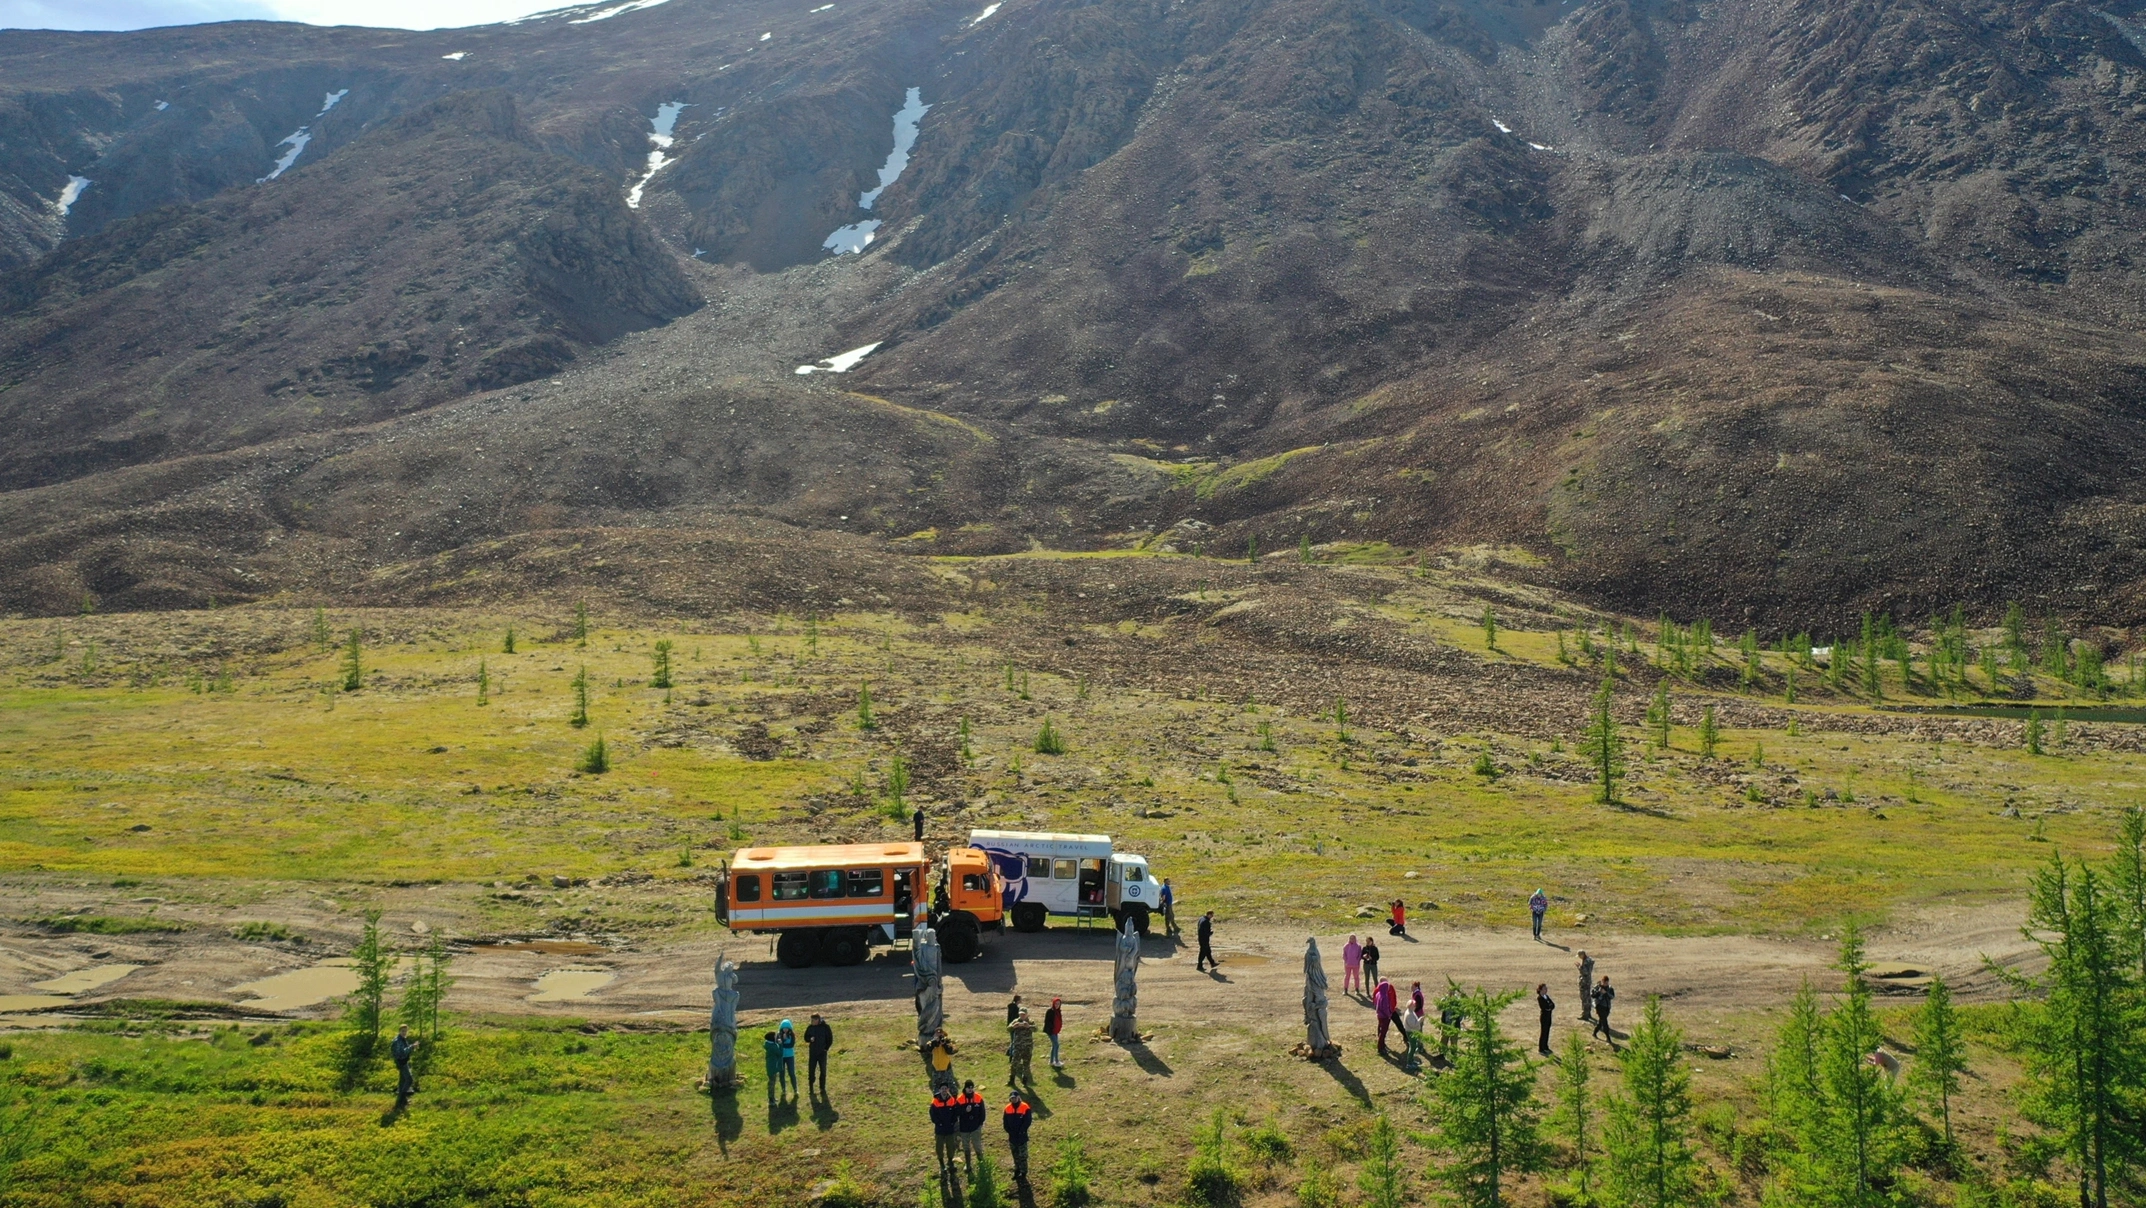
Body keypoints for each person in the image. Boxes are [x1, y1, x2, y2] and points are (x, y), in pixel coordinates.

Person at [1002, 1089, 1034, 1184]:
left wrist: (1021, 1131)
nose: (1014, 1099)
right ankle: (1017, 1170)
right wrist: (1009, 1131)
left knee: (1023, 1156)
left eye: (1015, 1098)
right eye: (1012, 1098)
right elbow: (1005, 1123)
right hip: (1012, 1137)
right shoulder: (1007, 1108)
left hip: (1022, 1136)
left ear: (1018, 1097)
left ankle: (1024, 1172)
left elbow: (1027, 1121)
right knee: (1015, 1155)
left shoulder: (1025, 1107)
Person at [955, 1079, 987, 1174]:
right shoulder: (960, 1099)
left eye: (972, 1087)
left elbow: (982, 1112)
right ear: (965, 1088)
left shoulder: (978, 1098)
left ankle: (981, 1162)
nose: (970, 1089)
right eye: (968, 1087)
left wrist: (980, 1123)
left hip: (975, 1127)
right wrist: (965, 1110)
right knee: (966, 1147)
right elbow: (956, 1112)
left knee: (977, 1145)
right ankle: (968, 1165)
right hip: (964, 1127)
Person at [929, 1087, 961, 1178]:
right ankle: (942, 1164)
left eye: (945, 1089)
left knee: (950, 1146)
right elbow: (932, 1114)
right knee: (939, 1147)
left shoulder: (952, 1100)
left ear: (948, 1090)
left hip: (949, 1129)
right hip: (939, 1129)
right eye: (942, 1089)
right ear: (940, 1090)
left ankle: (950, 1161)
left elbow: (955, 1113)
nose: (944, 1091)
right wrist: (938, 1123)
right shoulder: (935, 1101)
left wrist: (952, 1122)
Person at [804, 1013, 834, 1097]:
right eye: (811, 1020)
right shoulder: (810, 1028)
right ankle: (811, 1088)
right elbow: (805, 1037)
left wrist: (826, 1048)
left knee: (823, 1070)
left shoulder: (825, 1027)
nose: (812, 1022)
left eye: (813, 1020)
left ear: (818, 1020)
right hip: (813, 1052)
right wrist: (810, 1039)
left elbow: (830, 1039)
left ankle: (822, 1088)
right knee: (811, 1070)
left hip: (822, 1053)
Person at [1007, 1008, 1036, 1088]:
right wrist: (1013, 1026)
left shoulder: (1030, 1021)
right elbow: (1008, 1029)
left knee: (1026, 1064)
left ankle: (1025, 1081)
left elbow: (1036, 1029)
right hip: (1017, 1046)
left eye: (1023, 1014)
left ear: (1026, 1014)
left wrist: (1028, 1026)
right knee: (1014, 1063)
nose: (1022, 1016)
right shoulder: (1016, 1021)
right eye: (1020, 1014)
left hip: (1027, 1047)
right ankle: (1011, 1080)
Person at [391, 1024, 418, 1109]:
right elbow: (402, 1052)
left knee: (402, 1081)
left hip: (402, 1061)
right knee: (409, 1080)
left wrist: (411, 1047)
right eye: (403, 1031)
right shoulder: (398, 1041)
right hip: (402, 1062)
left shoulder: (402, 1039)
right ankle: (402, 1098)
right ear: (399, 1031)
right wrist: (412, 1046)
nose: (404, 1032)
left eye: (405, 1031)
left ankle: (401, 1101)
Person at [927, 1027, 959, 1096]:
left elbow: (951, 1051)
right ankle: (937, 1102)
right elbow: (928, 1049)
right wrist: (935, 1042)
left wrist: (944, 1044)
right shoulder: (931, 1042)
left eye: (940, 1034)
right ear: (934, 1035)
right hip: (936, 1068)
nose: (939, 1035)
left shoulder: (947, 1042)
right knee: (936, 1085)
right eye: (937, 1034)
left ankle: (955, 1100)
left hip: (946, 1067)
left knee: (951, 1084)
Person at [1396, 1003, 1428, 1070]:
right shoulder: (1409, 1014)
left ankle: (1412, 1061)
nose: (1415, 1006)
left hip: (1412, 1032)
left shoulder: (1411, 1011)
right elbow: (1413, 1025)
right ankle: (1409, 1063)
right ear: (1410, 1006)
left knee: (1413, 1046)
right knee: (1412, 1047)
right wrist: (1420, 1020)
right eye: (1414, 1005)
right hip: (1411, 1032)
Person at [1373, 978, 1397, 1054]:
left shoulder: (1378, 994)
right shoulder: (1385, 997)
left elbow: (1376, 1003)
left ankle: (1382, 1046)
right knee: (1383, 1033)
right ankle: (1381, 1047)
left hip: (1379, 1015)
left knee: (1380, 1030)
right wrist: (1389, 1015)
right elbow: (1385, 1008)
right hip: (1385, 1017)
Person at [1592, 975, 1616, 1048]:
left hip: (1607, 1007)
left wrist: (1606, 993)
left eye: (1607, 982)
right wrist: (1600, 993)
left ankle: (1594, 1033)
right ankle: (1608, 1038)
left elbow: (1612, 996)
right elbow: (1593, 995)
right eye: (1604, 982)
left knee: (1601, 1022)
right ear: (1602, 981)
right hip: (1599, 1007)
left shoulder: (1610, 988)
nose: (1605, 984)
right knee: (1605, 1022)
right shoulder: (1597, 987)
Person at [778, 1018, 799, 1097]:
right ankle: (783, 1090)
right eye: (784, 1028)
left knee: (791, 1073)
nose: (785, 1029)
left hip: (790, 1056)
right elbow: (779, 1045)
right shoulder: (779, 1035)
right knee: (781, 1073)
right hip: (781, 1057)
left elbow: (791, 1045)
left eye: (787, 1028)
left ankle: (795, 1089)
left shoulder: (792, 1035)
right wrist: (783, 1040)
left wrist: (783, 1044)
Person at [762, 1030, 784, 1104]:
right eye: (775, 1036)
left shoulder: (768, 1045)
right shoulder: (773, 1047)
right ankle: (771, 1099)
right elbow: (780, 1054)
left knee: (772, 1082)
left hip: (770, 1066)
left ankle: (772, 1097)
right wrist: (780, 1044)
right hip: (773, 1067)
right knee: (772, 1083)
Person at [1044, 997, 1065, 1069]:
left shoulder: (1058, 1011)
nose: (1057, 1005)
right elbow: (1047, 1022)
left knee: (1054, 1045)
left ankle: (1051, 1061)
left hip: (1055, 1031)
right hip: (1051, 1031)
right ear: (1053, 1003)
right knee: (1056, 1044)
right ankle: (1056, 1061)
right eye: (1056, 1003)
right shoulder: (1050, 1011)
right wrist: (1051, 1030)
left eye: (1058, 1004)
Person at [1536, 983, 1555, 1056]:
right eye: (1544, 988)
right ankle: (1541, 1048)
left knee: (1547, 1032)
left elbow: (1552, 1005)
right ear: (1540, 990)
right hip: (1544, 1017)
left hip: (1549, 1016)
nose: (1546, 990)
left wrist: (1549, 1007)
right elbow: (1544, 1007)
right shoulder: (1540, 998)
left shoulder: (1546, 996)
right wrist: (1549, 1007)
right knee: (1543, 1032)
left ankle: (1546, 1046)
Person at [1577, 951, 1596, 1022]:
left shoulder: (1586, 962)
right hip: (1587, 981)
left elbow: (1585, 972)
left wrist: (1579, 967)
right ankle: (1588, 1013)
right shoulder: (1589, 960)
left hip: (1585, 982)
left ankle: (1585, 1014)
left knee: (1584, 998)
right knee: (1588, 998)